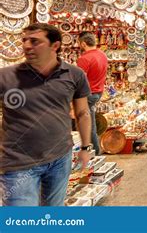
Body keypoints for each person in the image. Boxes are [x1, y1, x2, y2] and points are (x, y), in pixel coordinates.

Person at [0, 23, 92, 206]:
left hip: (60, 158)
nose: (26, 46)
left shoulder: (74, 75)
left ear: (55, 46)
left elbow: (82, 113)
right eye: (24, 40)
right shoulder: (5, 77)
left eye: (35, 41)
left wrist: (85, 148)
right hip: (19, 164)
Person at [77, 32, 108, 154]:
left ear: (83, 43)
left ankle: (94, 153)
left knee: (88, 126)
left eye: (79, 43)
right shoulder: (102, 55)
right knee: (89, 124)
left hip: (87, 95)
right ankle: (93, 152)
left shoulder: (84, 58)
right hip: (97, 92)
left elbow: (78, 81)